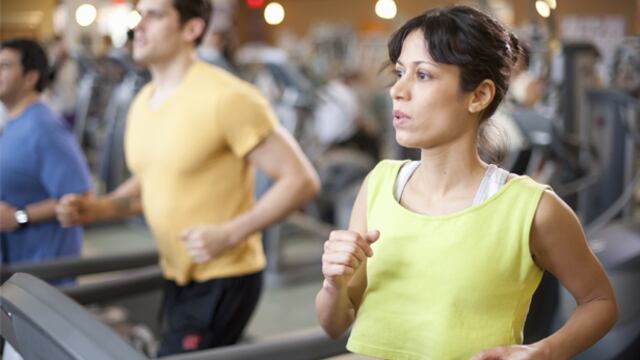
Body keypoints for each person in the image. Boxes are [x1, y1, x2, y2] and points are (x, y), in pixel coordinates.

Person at [315, 6, 618, 359]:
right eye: (399, 72)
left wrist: (543, 351)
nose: (398, 90)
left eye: (423, 75)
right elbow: (334, 324)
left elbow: (600, 301)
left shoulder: (532, 209)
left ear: (479, 96)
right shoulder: (379, 183)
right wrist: (333, 284)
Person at [56, 0, 320, 356]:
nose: (139, 25)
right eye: (140, 14)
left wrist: (230, 233)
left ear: (191, 29)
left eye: (155, 14)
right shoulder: (144, 101)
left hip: (224, 275)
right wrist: (97, 209)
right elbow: (150, 182)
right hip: (175, 269)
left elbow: (301, 180)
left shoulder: (228, 97)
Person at [0, 39, 91, 278]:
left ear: (30, 78)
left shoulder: (44, 127)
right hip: (18, 266)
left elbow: (80, 196)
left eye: (5, 66)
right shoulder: (13, 124)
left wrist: (19, 216)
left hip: (45, 271)